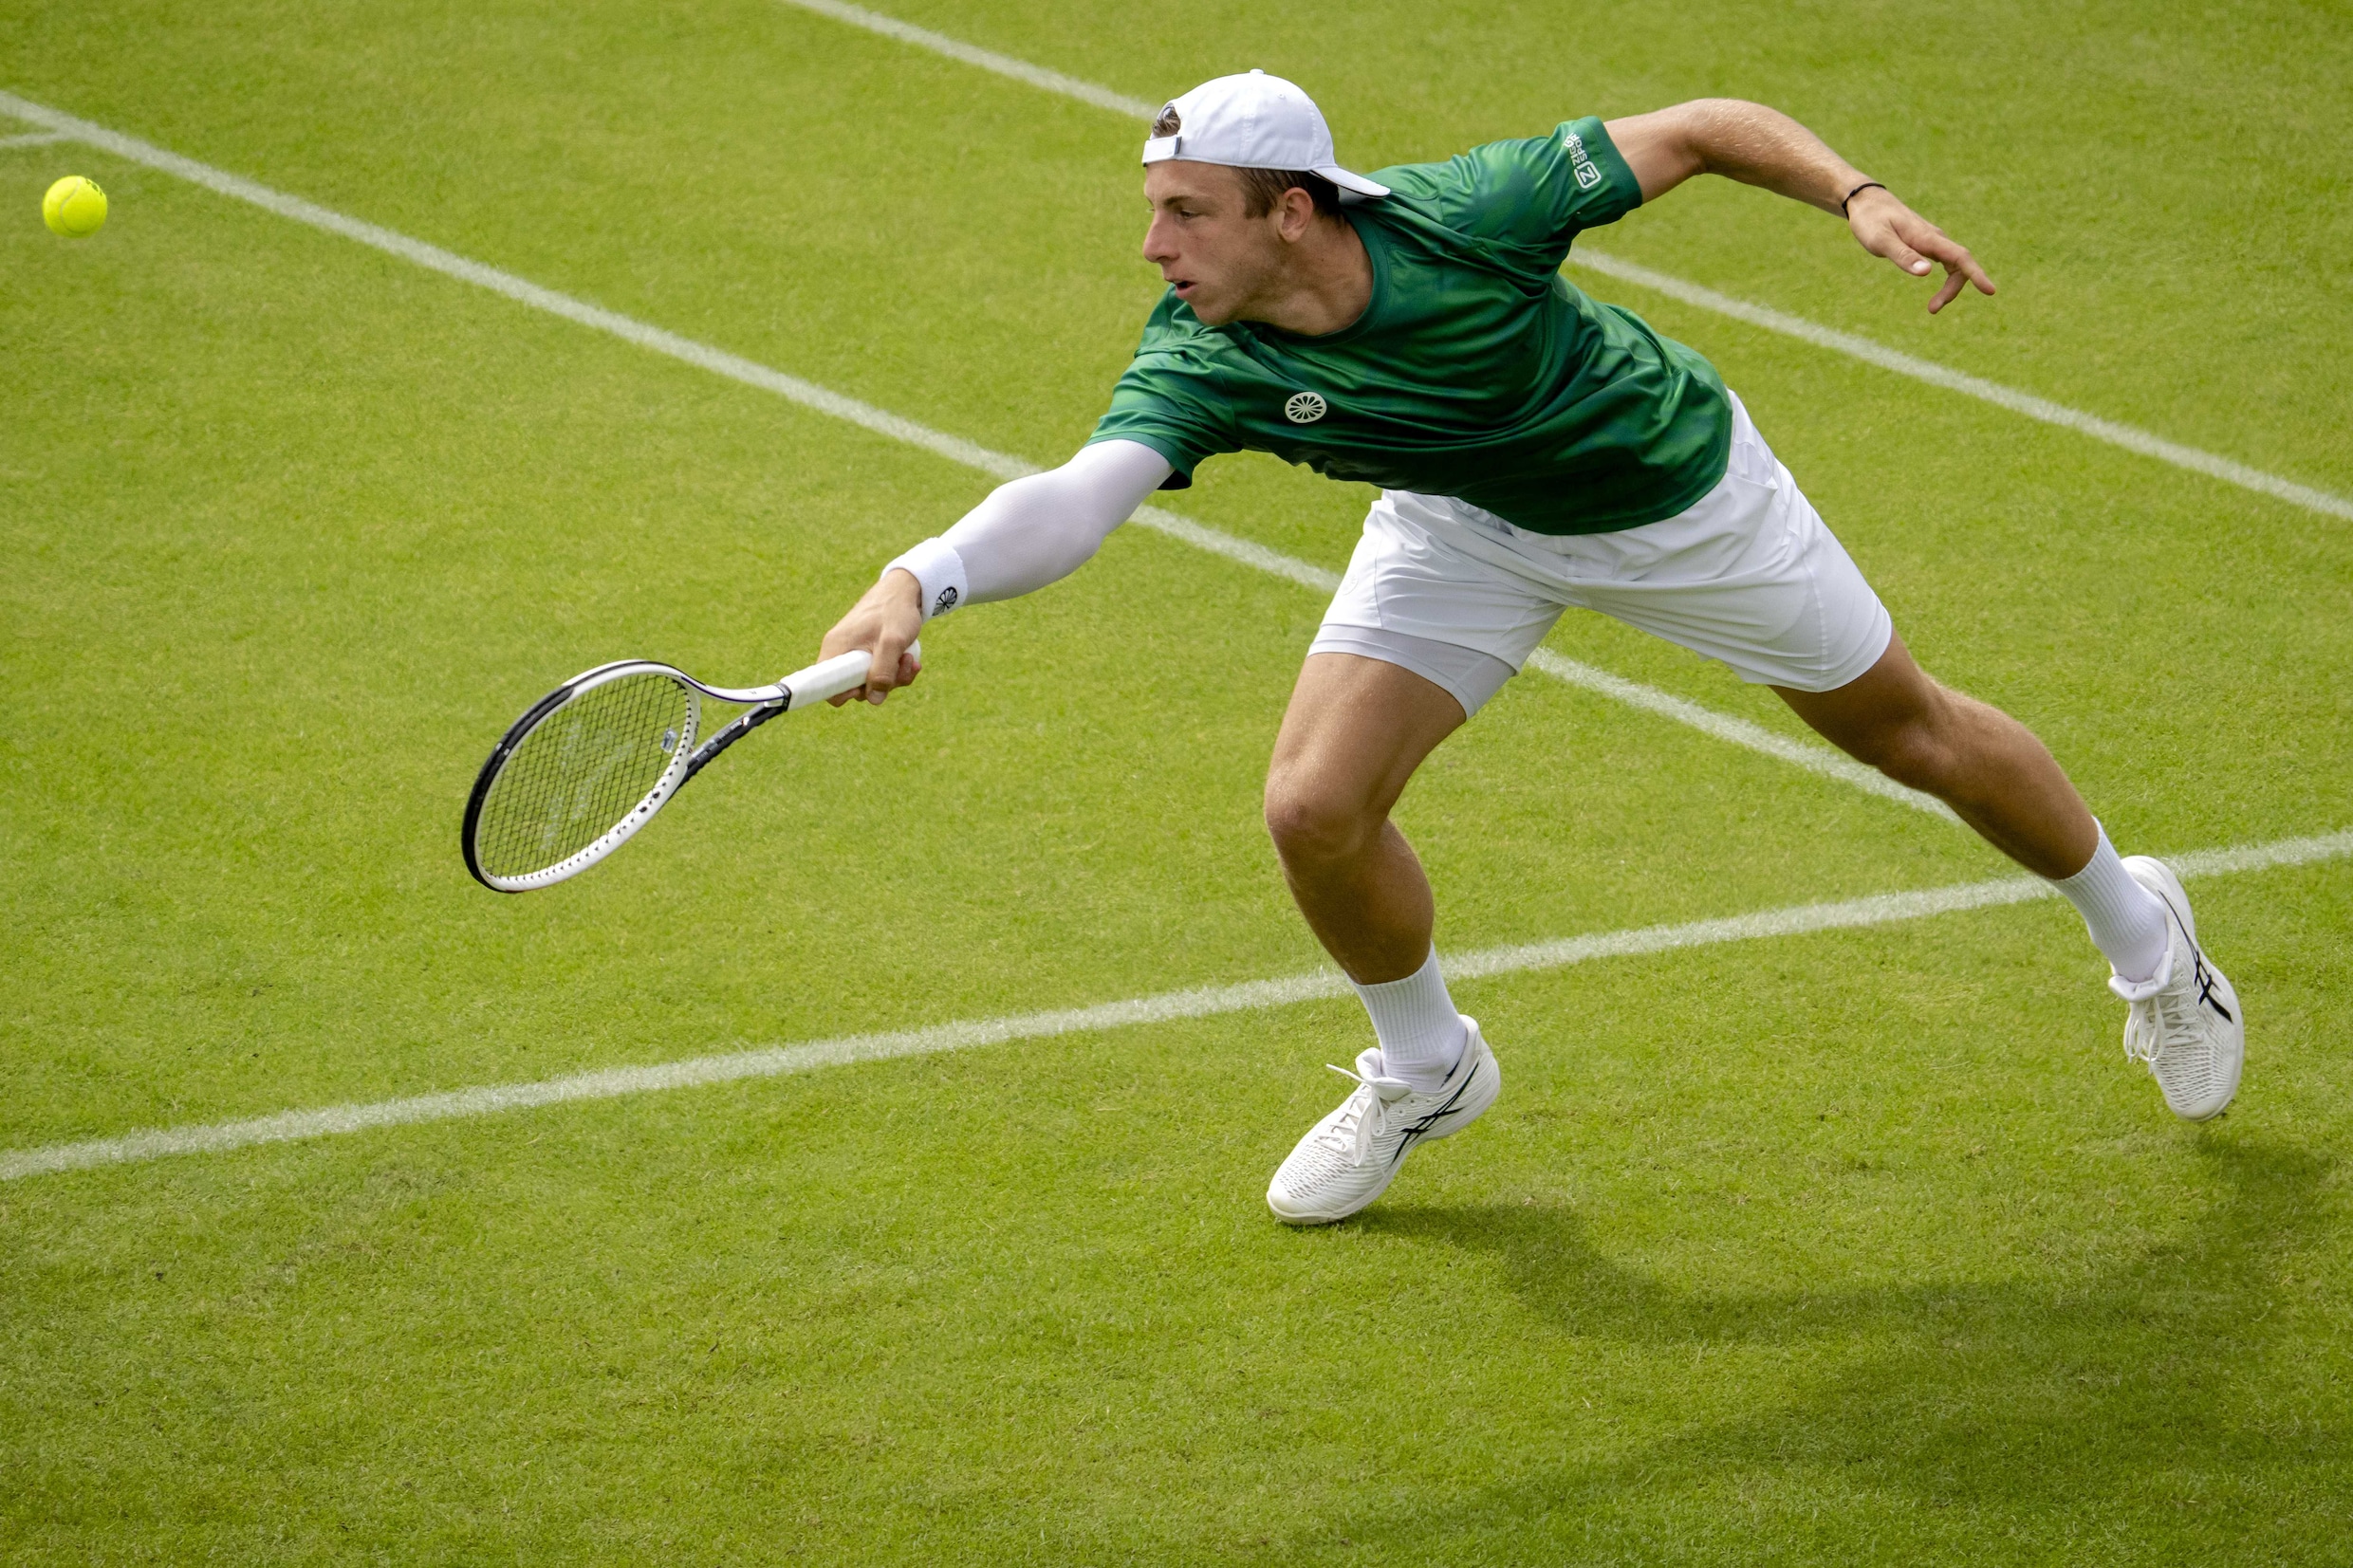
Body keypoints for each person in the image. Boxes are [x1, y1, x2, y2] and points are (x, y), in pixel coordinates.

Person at [818, 71, 2242, 1224]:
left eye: (1187, 211)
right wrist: (917, 580)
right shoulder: (1207, 351)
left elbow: (1698, 129)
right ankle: (1428, 1068)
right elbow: (1079, 497)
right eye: (1152, 210)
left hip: (1678, 500)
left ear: (1297, 212)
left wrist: (1857, 197)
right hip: (1463, 526)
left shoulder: (1472, 214)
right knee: (1313, 805)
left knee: (1909, 732)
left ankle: (2149, 943)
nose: (1154, 245)